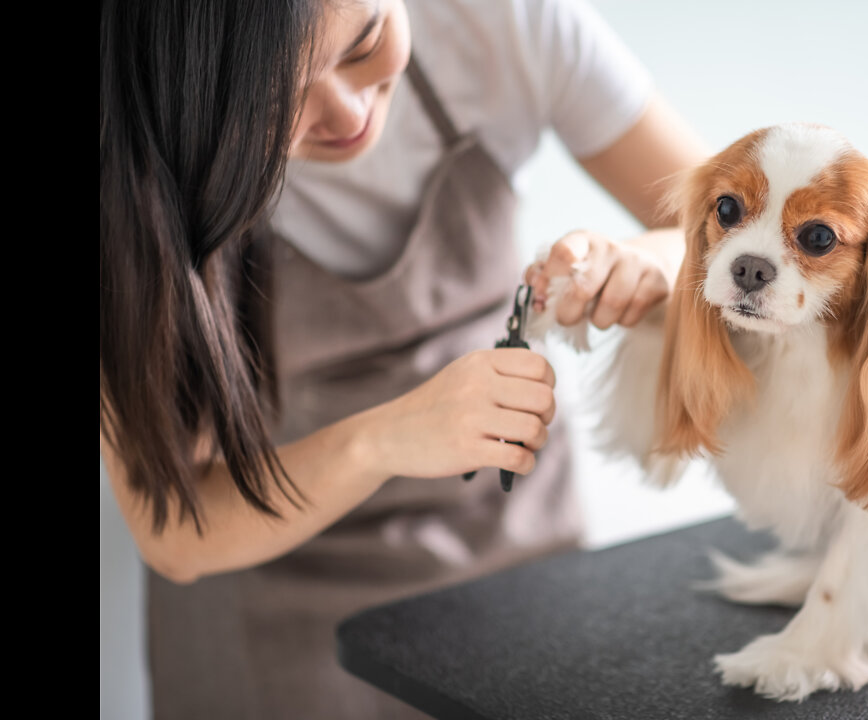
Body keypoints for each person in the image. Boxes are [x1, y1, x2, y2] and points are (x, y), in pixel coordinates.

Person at [99, 0, 704, 716]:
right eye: (273, 101)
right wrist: (383, 439)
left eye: (366, 43)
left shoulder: (502, 22)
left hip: (518, 581)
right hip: (268, 630)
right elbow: (175, 529)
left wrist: (649, 262)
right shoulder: (125, 160)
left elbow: (725, 227)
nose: (348, 112)